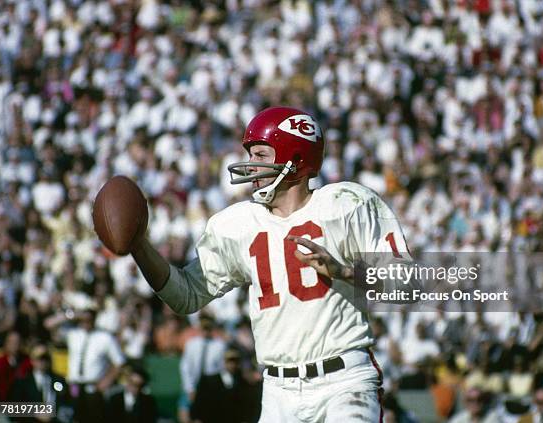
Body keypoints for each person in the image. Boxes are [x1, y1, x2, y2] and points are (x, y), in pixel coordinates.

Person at [128, 106, 411, 422]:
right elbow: (185, 297)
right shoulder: (238, 224)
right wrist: (139, 247)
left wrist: (343, 271)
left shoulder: (347, 205)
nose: (250, 166)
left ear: (295, 158)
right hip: (278, 390)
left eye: (261, 155)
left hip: (344, 381)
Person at [44, 308, 126, 423]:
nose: (86, 322)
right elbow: (48, 324)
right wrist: (71, 316)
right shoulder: (73, 334)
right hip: (74, 386)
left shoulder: (105, 337)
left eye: (89, 319)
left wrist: (107, 381)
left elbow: (120, 362)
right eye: (84, 319)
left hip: (93, 387)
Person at [190, 347, 261, 423]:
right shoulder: (209, 382)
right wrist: (197, 417)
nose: (232, 364)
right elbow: (200, 402)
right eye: (229, 361)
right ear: (224, 362)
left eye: (235, 361)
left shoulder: (242, 383)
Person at [9, 344, 69, 422]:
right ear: (32, 360)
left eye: (46, 358)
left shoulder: (59, 380)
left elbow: (66, 404)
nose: (43, 361)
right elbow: (11, 409)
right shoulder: (22, 383)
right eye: (40, 358)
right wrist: (35, 412)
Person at [0, 331, 30, 401]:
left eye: (17, 342)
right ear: (6, 343)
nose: (15, 345)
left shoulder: (27, 362)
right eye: (11, 342)